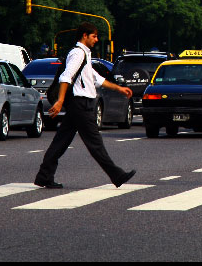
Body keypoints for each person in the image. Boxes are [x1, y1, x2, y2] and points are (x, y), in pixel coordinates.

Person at [34, 22, 136, 189]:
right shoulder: (77, 53)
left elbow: (95, 78)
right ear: (84, 36)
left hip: (81, 104)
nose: (96, 39)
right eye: (94, 36)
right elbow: (66, 77)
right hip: (80, 104)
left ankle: (44, 176)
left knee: (61, 141)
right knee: (95, 142)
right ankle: (117, 175)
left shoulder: (85, 54)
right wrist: (60, 101)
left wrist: (119, 88)